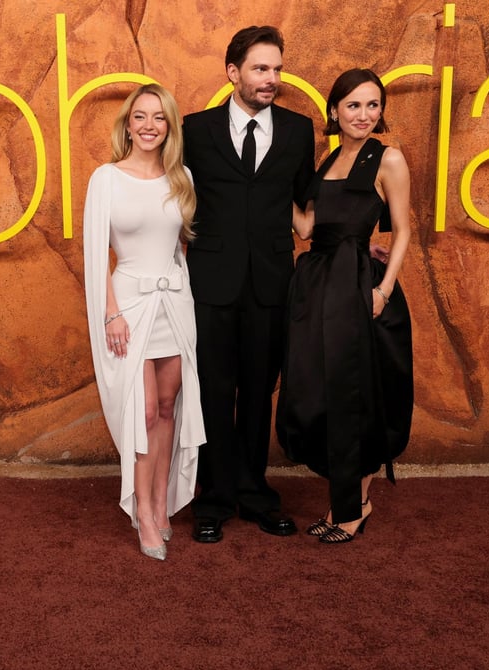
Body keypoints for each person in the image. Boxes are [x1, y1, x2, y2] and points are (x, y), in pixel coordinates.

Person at [182, 26, 315, 543]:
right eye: (261, 69)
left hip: (271, 283)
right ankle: (213, 499)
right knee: (214, 391)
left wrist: (354, 241)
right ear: (233, 72)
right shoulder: (195, 130)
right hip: (210, 282)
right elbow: (168, 194)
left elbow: (309, 204)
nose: (272, 79)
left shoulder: (300, 131)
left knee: (260, 391)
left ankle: (256, 493)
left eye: (277, 69)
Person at [276, 68, 414, 543]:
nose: (364, 114)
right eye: (354, 105)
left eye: (373, 105)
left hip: (358, 288)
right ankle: (345, 503)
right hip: (318, 286)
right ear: (334, 110)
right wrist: (271, 183)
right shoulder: (330, 158)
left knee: (357, 393)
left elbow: (403, 231)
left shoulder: (388, 158)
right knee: (324, 388)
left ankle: (353, 508)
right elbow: (308, 229)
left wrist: (383, 291)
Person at [82, 83, 206, 561]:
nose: (150, 125)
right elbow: (96, 256)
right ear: (128, 124)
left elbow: (180, 250)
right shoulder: (106, 178)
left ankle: (160, 503)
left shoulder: (182, 177)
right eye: (141, 116)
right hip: (129, 308)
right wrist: (110, 312)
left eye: (159, 117)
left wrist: (185, 299)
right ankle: (143, 512)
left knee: (170, 406)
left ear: (170, 125)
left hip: (175, 303)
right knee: (145, 411)